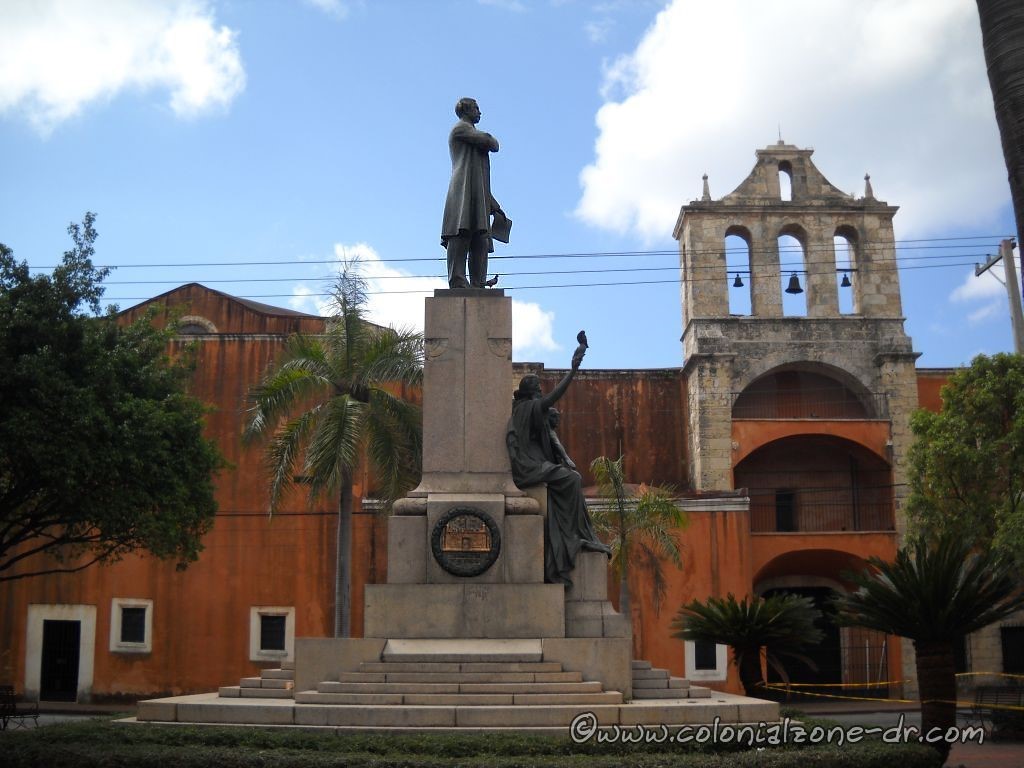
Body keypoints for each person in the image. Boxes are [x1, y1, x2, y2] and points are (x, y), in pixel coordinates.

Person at [506, 347, 610, 586]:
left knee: (571, 477)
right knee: (572, 480)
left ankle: (577, 535)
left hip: (536, 463)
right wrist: (572, 371)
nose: (541, 391)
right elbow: (552, 399)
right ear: (531, 392)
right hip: (528, 466)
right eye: (538, 389)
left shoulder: (528, 410)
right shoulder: (527, 408)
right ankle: (576, 536)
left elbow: (552, 441)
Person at [441, 97, 505, 289]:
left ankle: (478, 283)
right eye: (476, 108)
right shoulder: (460, 129)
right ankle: (457, 279)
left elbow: (481, 179)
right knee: (461, 233)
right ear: (466, 110)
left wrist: (494, 205)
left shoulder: (471, 136)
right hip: (462, 191)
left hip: (477, 194)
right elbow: (491, 143)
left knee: (481, 239)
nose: (480, 112)